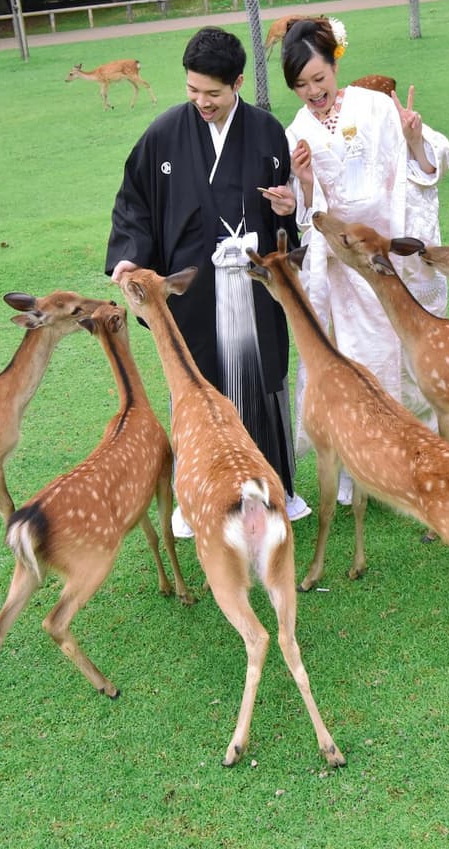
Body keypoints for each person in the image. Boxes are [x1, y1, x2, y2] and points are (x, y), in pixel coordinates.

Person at [105, 26, 309, 530]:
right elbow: (134, 203)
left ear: (237, 82)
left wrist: (288, 209)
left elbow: (286, 219)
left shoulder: (266, 132)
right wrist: (128, 259)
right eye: (192, 90)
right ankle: (198, 495)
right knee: (195, 389)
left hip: (254, 290)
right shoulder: (164, 134)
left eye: (212, 93)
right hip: (192, 295)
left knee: (260, 382)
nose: (201, 102)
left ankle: (273, 489)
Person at [259, 17, 449, 504]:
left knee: (408, 358)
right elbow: (312, 212)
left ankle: (417, 454)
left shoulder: (375, 106)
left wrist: (411, 137)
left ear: (334, 64)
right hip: (343, 265)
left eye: (319, 79)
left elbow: (431, 162)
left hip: (388, 251)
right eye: (301, 85)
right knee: (354, 363)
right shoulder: (296, 130)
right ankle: (360, 466)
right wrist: (301, 185)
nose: (312, 92)